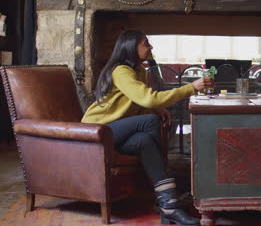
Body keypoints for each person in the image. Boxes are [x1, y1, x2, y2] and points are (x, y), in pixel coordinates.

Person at [82, 30, 214, 226]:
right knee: (150, 121)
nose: (150, 47)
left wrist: (157, 108)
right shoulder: (121, 71)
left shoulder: (139, 71)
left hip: (117, 132)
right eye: (146, 43)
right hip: (97, 131)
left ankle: (168, 205)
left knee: (145, 141)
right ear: (131, 47)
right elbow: (149, 97)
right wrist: (191, 88)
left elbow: (136, 100)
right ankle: (160, 196)